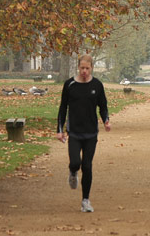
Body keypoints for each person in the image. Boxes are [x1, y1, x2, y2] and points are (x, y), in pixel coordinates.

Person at [56, 54, 111, 212]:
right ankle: (73, 172)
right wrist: (59, 130)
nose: (84, 71)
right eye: (82, 68)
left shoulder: (97, 85)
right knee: (75, 163)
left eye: (87, 68)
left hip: (91, 133)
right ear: (78, 68)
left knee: (87, 166)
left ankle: (85, 200)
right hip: (74, 132)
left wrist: (106, 120)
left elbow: (103, 106)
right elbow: (62, 108)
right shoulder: (69, 85)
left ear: (91, 68)